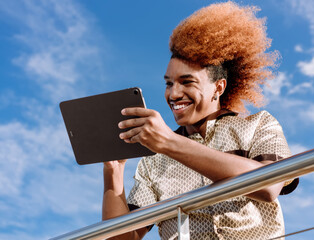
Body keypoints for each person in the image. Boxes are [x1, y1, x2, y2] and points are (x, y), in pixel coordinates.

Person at [102, 2, 298, 240]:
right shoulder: (153, 161)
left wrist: (169, 142)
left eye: (187, 82)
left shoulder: (259, 124)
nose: (173, 94)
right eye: (168, 83)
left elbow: (268, 185)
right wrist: (113, 170)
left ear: (218, 87)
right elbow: (123, 238)